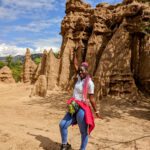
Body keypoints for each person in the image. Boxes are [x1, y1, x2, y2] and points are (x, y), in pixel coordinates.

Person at [59, 48, 100, 150]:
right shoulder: (79, 77)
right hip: (74, 105)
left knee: (83, 132)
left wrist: (96, 111)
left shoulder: (90, 83)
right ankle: (65, 145)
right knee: (62, 125)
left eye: (82, 71)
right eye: (80, 71)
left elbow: (92, 98)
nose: (80, 72)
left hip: (82, 108)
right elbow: (75, 65)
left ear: (87, 71)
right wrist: (74, 54)